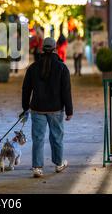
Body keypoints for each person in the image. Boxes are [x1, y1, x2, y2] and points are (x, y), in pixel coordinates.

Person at [21, 37, 73, 178]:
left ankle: (37, 167)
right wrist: (69, 111)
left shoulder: (33, 68)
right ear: (55, 49)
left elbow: (26, 89)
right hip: (56, 109)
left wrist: (25, 107)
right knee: (56, 137)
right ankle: (58, 164)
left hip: (37, 108)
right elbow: (66, 91)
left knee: (38, 138)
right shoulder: (62, 67)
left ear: (42, 49)